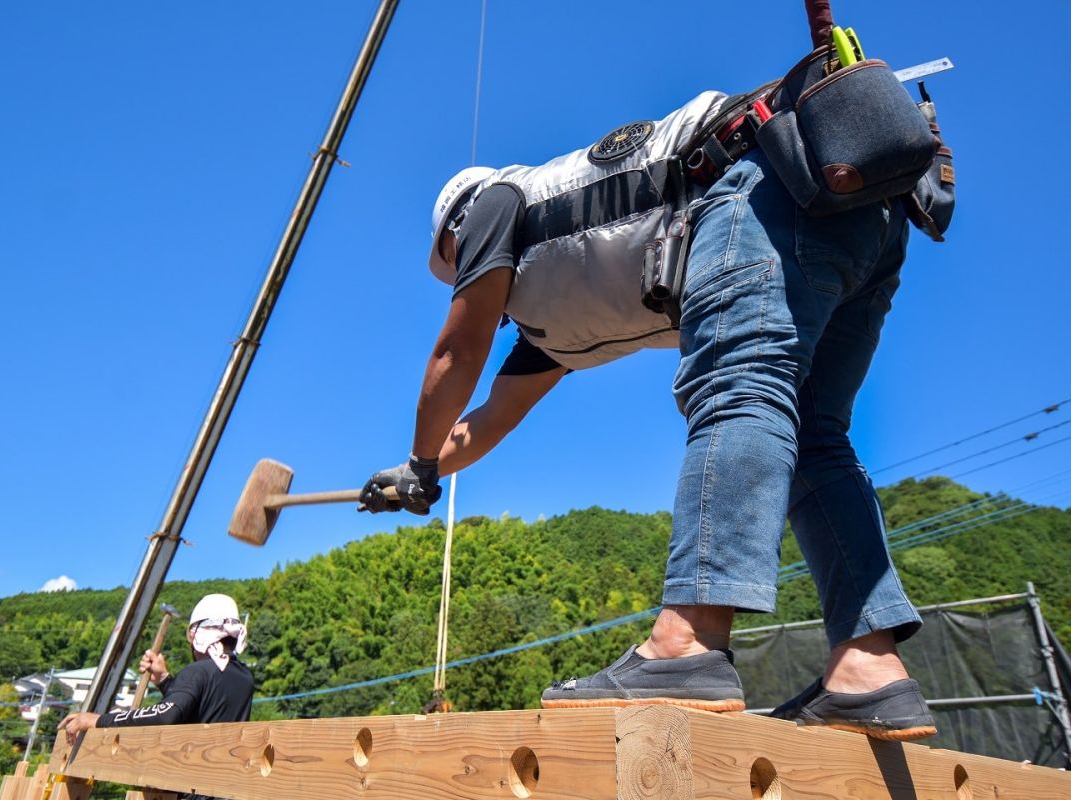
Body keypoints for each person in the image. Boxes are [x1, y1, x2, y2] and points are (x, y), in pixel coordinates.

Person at [359, 85, 939, 740]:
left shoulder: (496, 203)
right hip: (861, 212)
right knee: (812, 435)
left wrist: (418, 457)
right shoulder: (548, 329)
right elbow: (491, 414)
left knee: (738, 387)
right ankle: (869, 668)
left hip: (758, 181)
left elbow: (456, 354)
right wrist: (417, 471)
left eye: (459, 268)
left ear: (457, 236)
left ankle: (685, 646)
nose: (471, 287)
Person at [59, 594, 253, 741]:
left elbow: (165, 715)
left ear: (195, 636)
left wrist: (97, 720)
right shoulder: (245, 677)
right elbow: (198, 707)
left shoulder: (198, 671)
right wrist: (164, 680)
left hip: (191, 789)